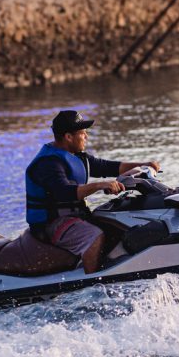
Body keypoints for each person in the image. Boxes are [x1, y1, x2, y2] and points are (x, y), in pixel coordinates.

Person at [25, 110, 161, 274]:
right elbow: (65, 192)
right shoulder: (49, 163)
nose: (86, 137)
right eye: (83, 133)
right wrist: (100, 185)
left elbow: (107, 166)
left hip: (74, 217)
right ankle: (93, 284)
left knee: (116, 224)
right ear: (68, 137)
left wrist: (145, 164)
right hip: (52, 224)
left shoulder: (75, 155)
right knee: (93, 237)